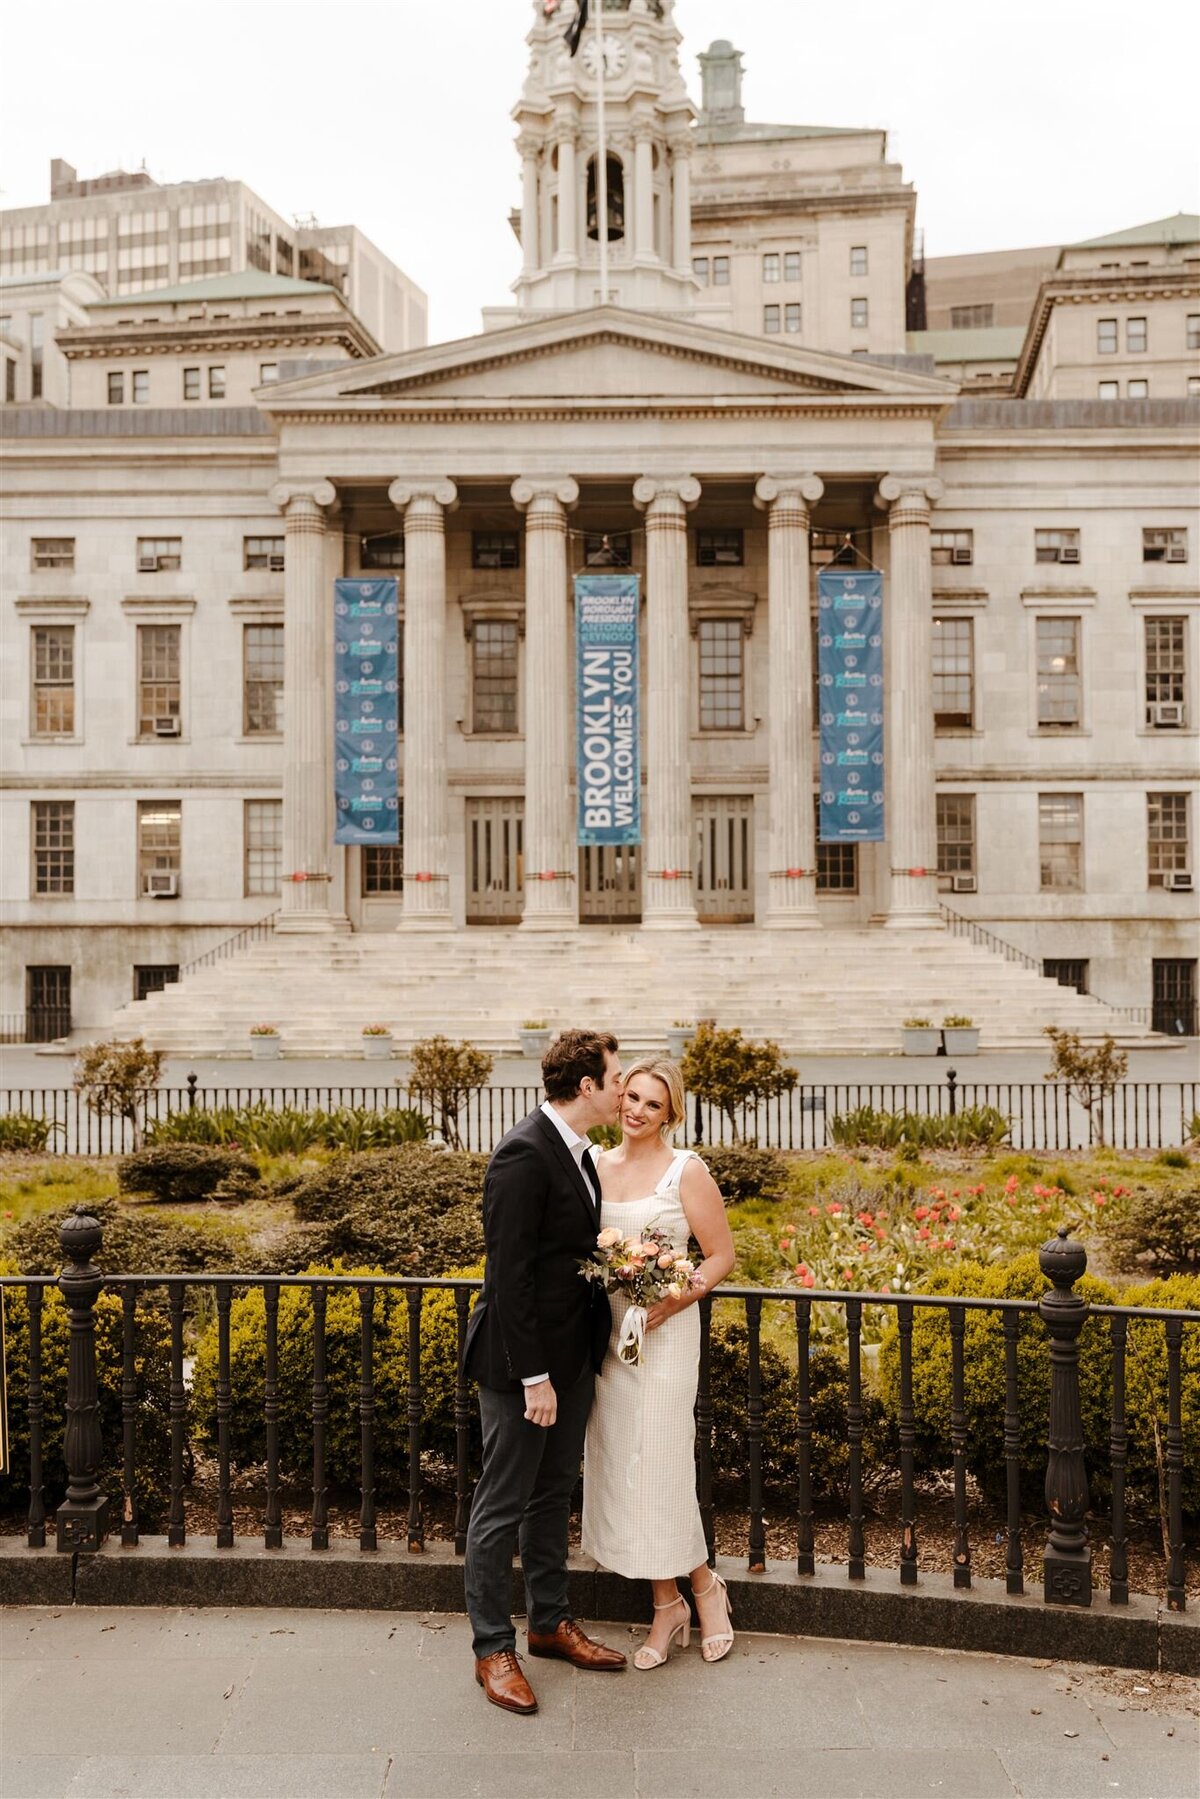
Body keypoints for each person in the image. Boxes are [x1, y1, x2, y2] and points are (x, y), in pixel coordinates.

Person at [463, 1027, 629, 1714]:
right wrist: (532, 1375)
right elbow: (509, 1279)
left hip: (569, 1361)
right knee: (501, 1504)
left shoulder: (580, 1152)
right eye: (615, 1077)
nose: (623, 1087)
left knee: (553, 1491)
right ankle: (491, 1647)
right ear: (586, 1085)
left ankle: (548, 1622)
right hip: (517, 1366)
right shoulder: (522, 1155)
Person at [581, 1055, 737, 1669]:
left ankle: (703, 1593)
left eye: (652, 1103)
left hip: (666, 1335)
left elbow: (721, 1256)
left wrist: (675, 1300)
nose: (637, 1111)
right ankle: (671, 1601)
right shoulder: (593, 1164)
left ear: (670, 1112)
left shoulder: (684, 1171)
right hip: (611, 1336)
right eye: (632, 1097)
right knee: (626, 1462)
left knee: (663, 1461)